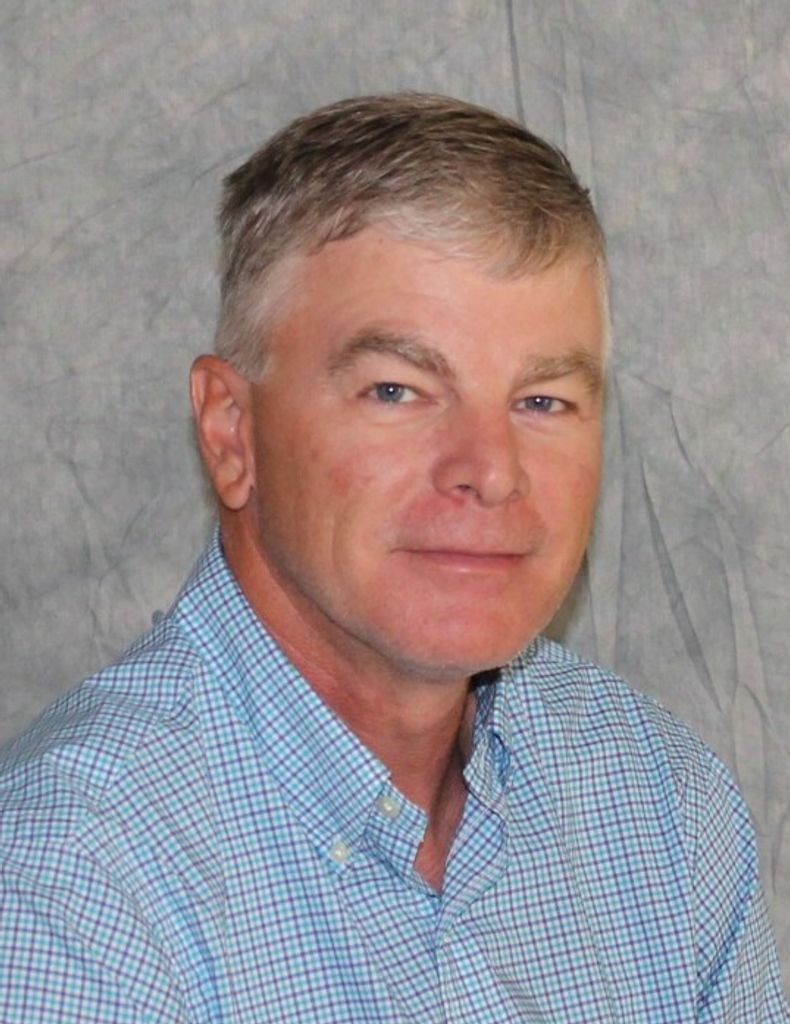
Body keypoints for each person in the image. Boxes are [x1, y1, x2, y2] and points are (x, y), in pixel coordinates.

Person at [0, 93, 786, 1023]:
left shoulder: (660, 803)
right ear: (231, 432)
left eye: (542, 402)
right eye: (397, 390)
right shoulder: (68, 885)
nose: (490, 471)